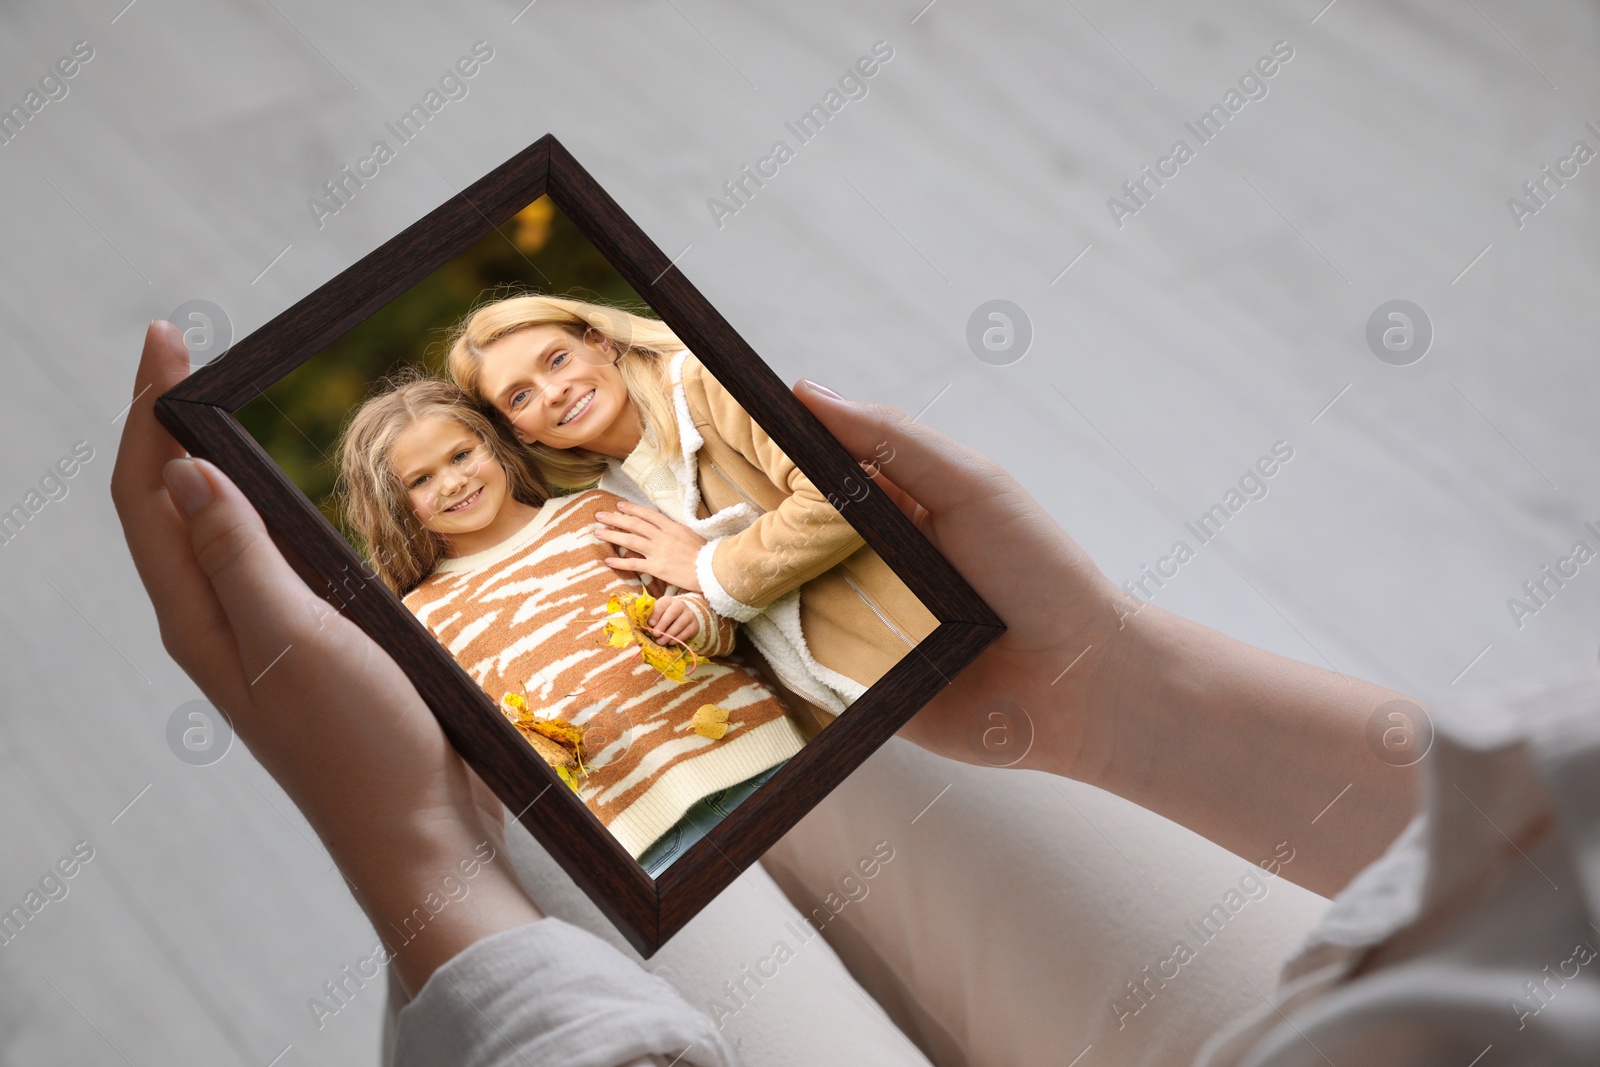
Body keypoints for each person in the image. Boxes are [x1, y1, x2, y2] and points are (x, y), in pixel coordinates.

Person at [116, 321, 1599, 1065]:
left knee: (533, 828)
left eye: (475, 450)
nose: (469, 471)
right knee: (866, 729)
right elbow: (1554, 844)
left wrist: (420, 870)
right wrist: (1110, 683)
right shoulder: (494, 567)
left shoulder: (585, 521)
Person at [329, 372, 811, 870]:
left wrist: (688, 619)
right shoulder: (421, 616)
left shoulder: (597, 515)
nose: (453, 482)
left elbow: (717, 611)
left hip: (752, 755)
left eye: (460, 455)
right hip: (632, 830)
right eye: (421, 480)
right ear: (392, 503)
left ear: (493, 445)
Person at [441, 294, 939, 726]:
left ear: (601, 342)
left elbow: (844, 494)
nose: (554, 392)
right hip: (857, 705)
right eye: (520, 396)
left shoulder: (706, 384)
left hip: (929, 642)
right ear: (519, 431)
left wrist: (709, 568)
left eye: (557, 359)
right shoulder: (611, 500)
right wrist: (686, 616)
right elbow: (719, 614)